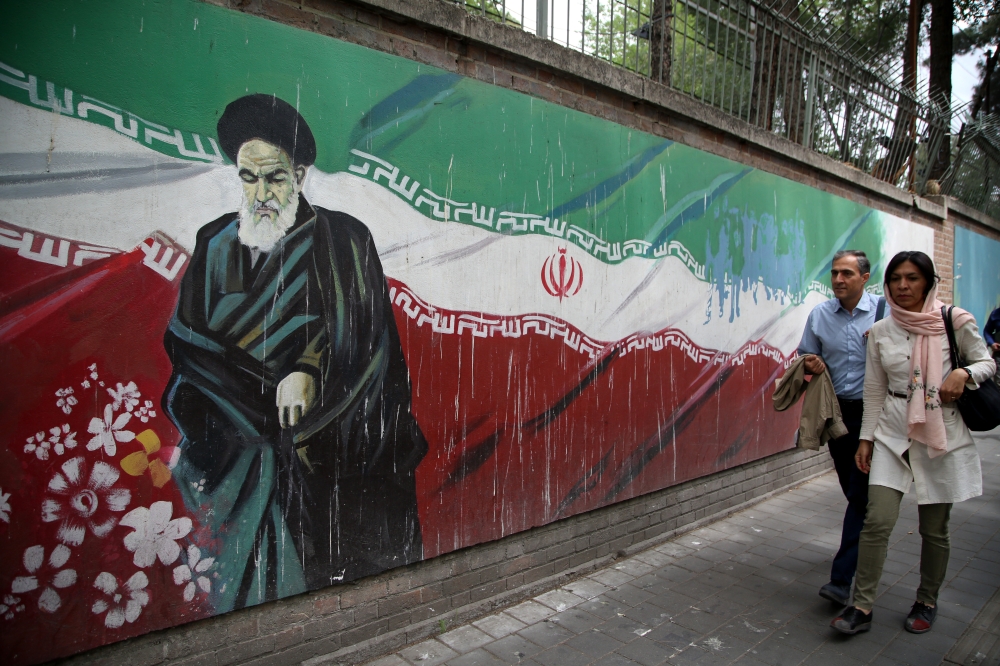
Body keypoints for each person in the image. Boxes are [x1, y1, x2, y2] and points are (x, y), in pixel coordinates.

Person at [162, 94, 428, 612]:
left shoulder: (344, 240)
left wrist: (309, 368)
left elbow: (366, 342)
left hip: (321, 446)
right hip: (236, 449)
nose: (260, 193)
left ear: (301, 175)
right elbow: (189, 343)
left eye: (275, 178)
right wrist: (247, 395)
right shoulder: (216, 243)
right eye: (248, 177)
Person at [831, 251, 996, 635]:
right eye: (895, 280)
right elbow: (874, 390)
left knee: (934, 528)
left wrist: (964, 372)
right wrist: (866, 439)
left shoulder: (954, 321)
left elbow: (986, 362)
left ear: (928, 282)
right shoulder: (881, 331)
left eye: (912, 278)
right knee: (877, 522)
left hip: (941, 433)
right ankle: (861, 605)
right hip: (891, 433)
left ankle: (926, 599)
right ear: (885, 286)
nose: (903, 286)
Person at [797, 250, 882, 606]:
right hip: (837, 414)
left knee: (860, 495)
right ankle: (868, 541)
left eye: (847, 273)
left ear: (864, 277)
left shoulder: (884, 314)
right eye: (834, 273)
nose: (838, 280)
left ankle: (841, 578)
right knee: (852, 489)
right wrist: (811, 362)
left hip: (875, 414)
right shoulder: (820, 315)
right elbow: (804, 356)